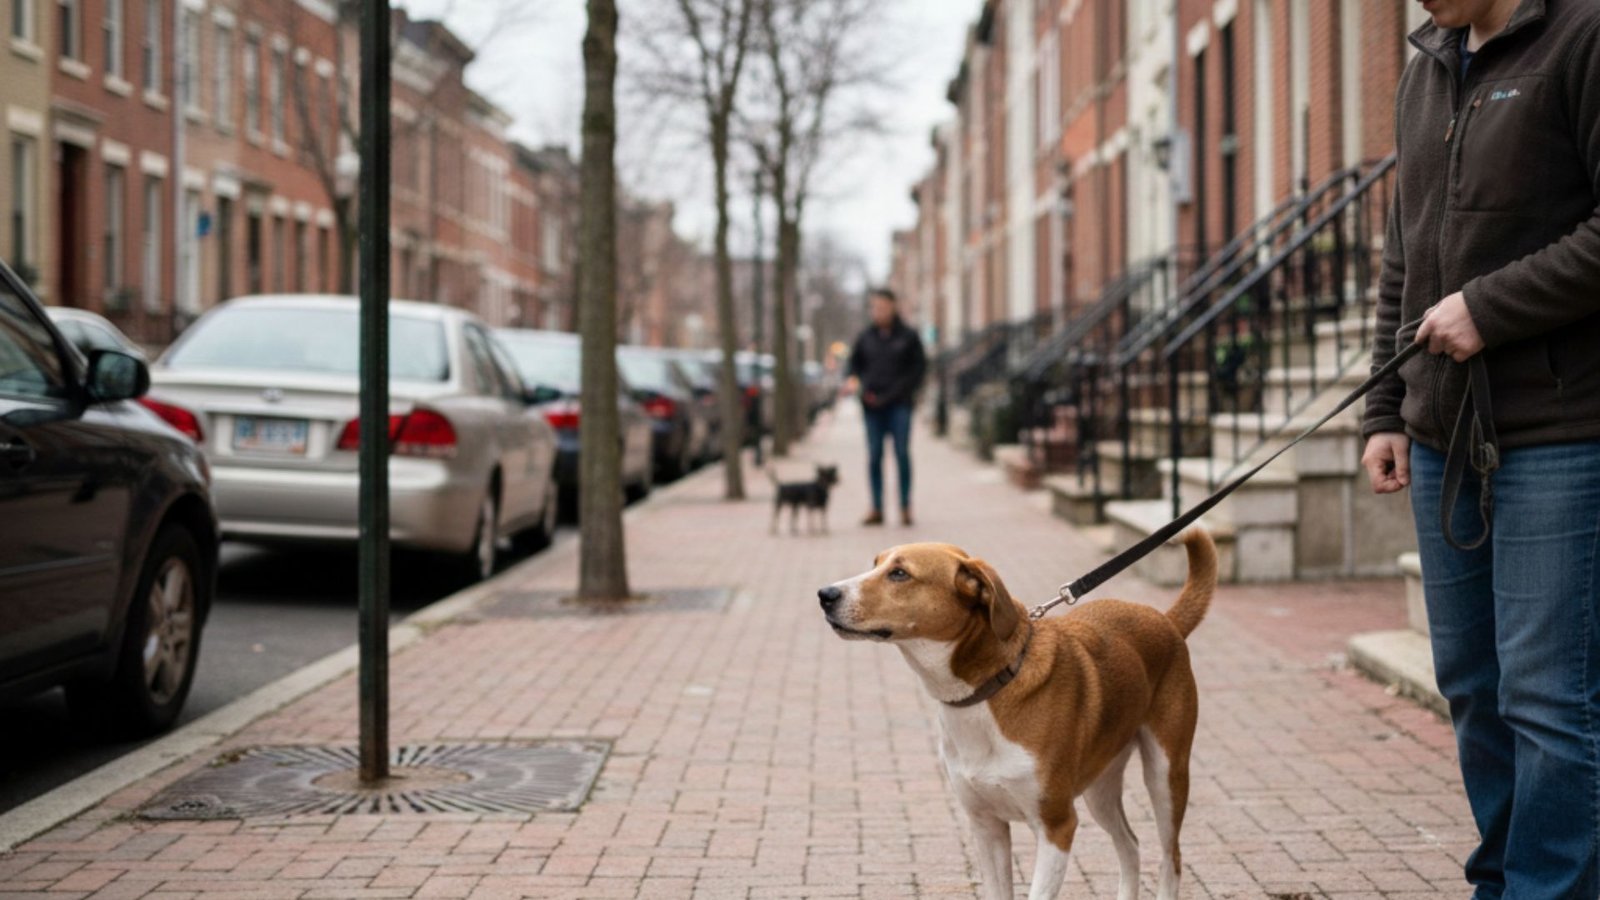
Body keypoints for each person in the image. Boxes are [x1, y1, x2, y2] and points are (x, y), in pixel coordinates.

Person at [1361, 1, 1600, 898]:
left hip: (1559, 430)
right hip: (1439, 432)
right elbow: (1403, 256)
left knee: (1549, 696)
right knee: (1471, 682)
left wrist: (1488, 309)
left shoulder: (1583, 36)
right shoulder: (1426, 69)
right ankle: (1503, 881)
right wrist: (1385, 407)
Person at [848, 288, 926, 526]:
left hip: (899, 405)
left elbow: (919, 369)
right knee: (874, 456)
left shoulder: (909, 336)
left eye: (882, 307)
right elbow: (853, 367)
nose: (878, 312)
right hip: (872, 407)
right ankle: (876, 507)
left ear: (893, 307)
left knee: (901, 454)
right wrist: (858, 388)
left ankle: (905, 506)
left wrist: (904, 392)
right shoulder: (865, 337)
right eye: (874, 307)